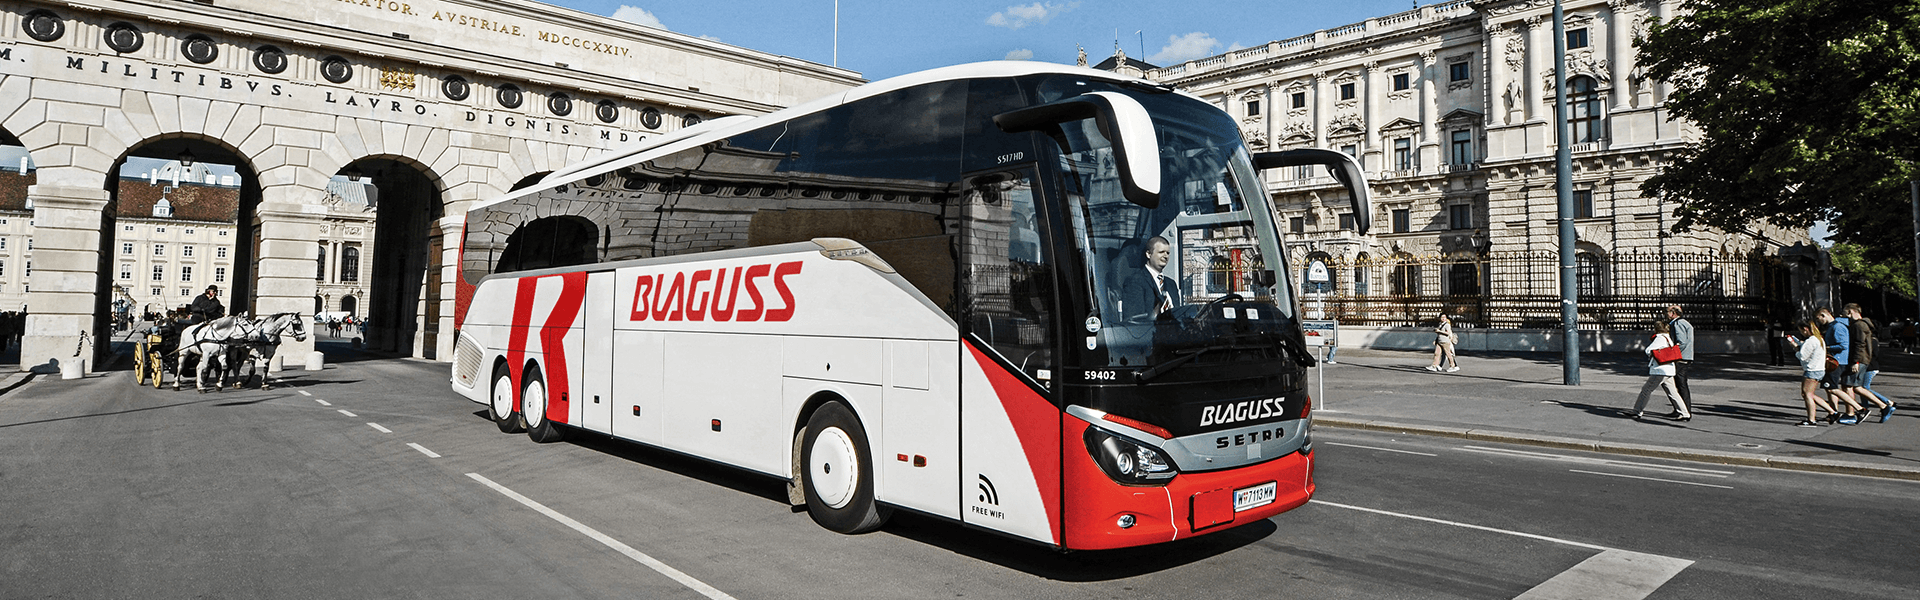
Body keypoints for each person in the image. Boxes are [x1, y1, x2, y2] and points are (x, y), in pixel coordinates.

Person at [1628, 320, 1690, 421]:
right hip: (1669, 370)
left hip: (1660, 370)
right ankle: (1684, 413)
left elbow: (1648, 350)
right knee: (1673, 392)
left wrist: (1652, 352)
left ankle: (1637, 411)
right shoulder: (1668, 338)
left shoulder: (1660, 338)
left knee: (1646, 390)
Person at [1844, 303, 1897, 422]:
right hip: (1863, 359)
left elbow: (1859, 344)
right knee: (1857, 387)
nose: (1845, 316)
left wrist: (1855, 361)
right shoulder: (1863, 324)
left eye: (1845, 313)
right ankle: (1883, 406)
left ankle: (1858, 412)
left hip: (1860, 359)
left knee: (1851, 386)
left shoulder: (1858, 325)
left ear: (1851, 311)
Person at [1814, 307, 1866, 424]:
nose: (1819, 322)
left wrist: (1826, 348)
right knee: (1829, 388)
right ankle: (1833, 412)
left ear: (1824, 315)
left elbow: (1843, 345)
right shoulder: (1833, 326)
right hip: (1835, 360)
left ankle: (1858, 408)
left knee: (1832, 388)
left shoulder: (1837, 327)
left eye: (1819, 319)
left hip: (1837, 361)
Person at [1118, 235, 1179, 323]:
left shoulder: (1171, 283)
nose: (1166, 256)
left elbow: (1178, 313)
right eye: (1161, 252)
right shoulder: (1135, 281)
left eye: (1168, 253)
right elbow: (1134, 319)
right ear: (1149, 254)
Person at [1791, 321, 1838, 427]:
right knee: (1809, 394)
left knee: (1807, 394)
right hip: (1819, 369)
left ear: (1806, 329)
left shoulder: (1811, 340)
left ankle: (1811, 419)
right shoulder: (1819, 339)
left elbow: (1802, 356)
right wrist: (1801, 344)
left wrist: (1795, 348)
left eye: (1801, 330)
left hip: (1812, 369)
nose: (1802, 333)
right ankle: (1832, 412)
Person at [1665, 305, 1696, 414]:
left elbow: (1681, 342)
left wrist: (1672, 353)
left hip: (1680, 358)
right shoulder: (1684, 322)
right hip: (1685, 356)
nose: (1666, 314)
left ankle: (1682, 410)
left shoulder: (1677, 324)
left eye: (1668, 312)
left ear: (1674, 313)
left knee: (1677, 384)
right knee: (1681, 384)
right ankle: (1682, 409)